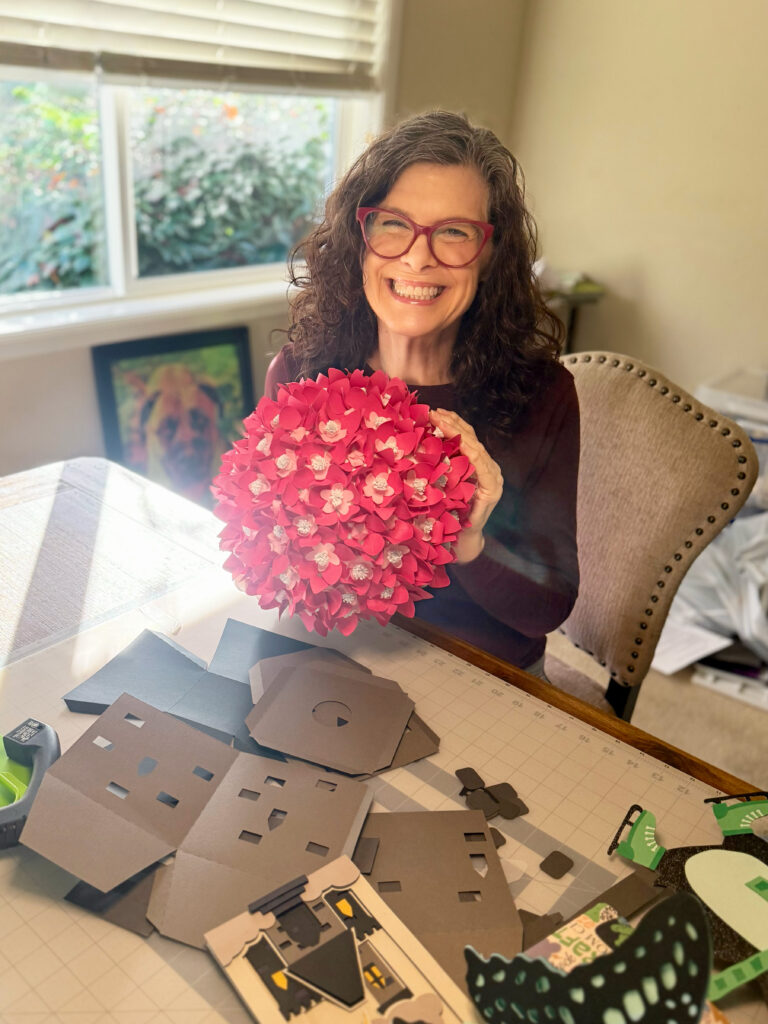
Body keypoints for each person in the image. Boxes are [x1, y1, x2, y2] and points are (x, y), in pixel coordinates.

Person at [265, 110, 579, 676]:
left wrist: (468, 539)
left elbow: (547, 606)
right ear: (360, 238)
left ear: (489, 255)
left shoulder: (543, 396)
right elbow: (275, 559)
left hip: (482, 673)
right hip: (333, 658)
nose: (417, 256)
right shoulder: (301, 374)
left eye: (455, 232)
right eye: (393, 224)